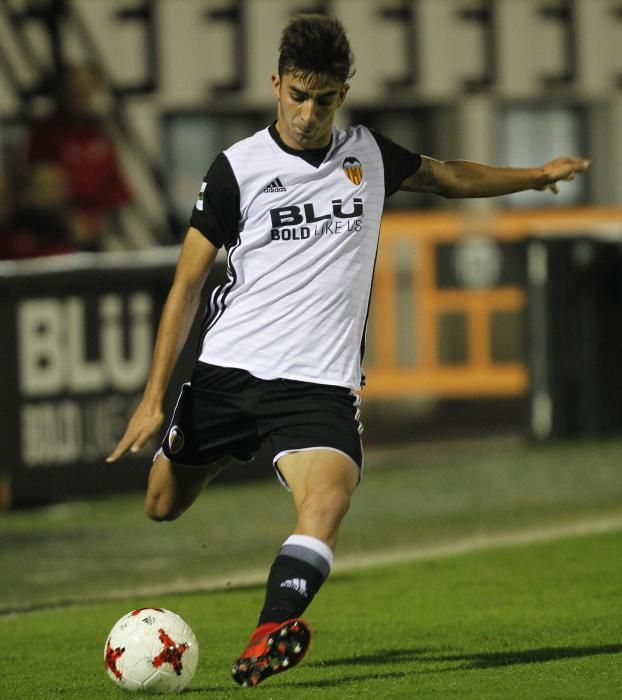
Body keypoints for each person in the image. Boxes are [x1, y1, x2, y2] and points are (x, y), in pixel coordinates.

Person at [106, 14, 590, 687]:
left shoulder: (366, 155)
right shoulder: (236, 171)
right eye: (298, 96)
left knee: (328, 501)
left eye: (324, 99)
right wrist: (154, 400)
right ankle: (211, 451)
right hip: (227, 376)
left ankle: (271, 630)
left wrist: (536, 175)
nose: (308, 114)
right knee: (162, 504)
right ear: (276, 85)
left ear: (343, 94)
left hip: (317, 387)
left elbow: (448, 176)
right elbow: (186, 287)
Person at [26, 63, 131, 251]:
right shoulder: (47, 133)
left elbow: (115, 187)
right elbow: (40, 187)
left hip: (97, 229)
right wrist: (67, 220)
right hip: (57, 232)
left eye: (87, 90)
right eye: (75, 90)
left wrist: (100, 221)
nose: (82, 97)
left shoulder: (99, 132)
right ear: (63, 91)